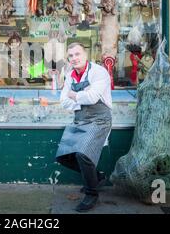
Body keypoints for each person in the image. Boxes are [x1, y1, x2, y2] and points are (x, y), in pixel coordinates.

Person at [56, 42, 112, 212]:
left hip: (99, 119)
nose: (74, 58)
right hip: (80, 120)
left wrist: (74, 95)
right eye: (70, 56)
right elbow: (64, 101)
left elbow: (93, 98)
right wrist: (80, 97)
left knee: (83, 154)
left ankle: (91, 194)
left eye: (77, 54)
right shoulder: (69, 75)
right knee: (64, 156)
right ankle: (97, 177)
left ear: (85, 55)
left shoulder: (99, 72)